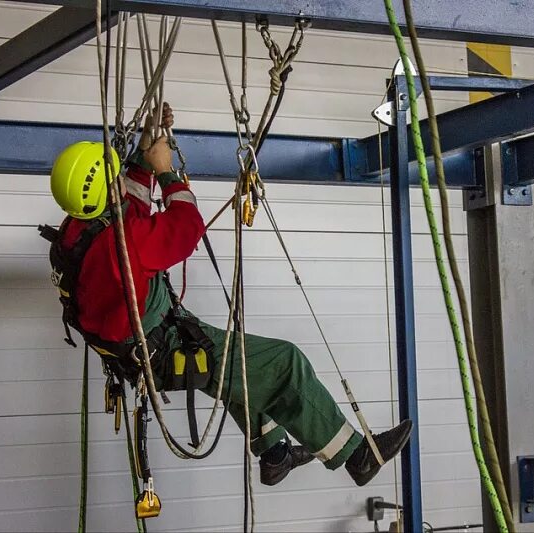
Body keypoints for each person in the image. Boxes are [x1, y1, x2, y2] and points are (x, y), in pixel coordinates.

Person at [43, 104, 412, 487]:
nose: (121, 179)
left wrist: (145, 151)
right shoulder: (123, 245)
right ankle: (356, 456)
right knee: (284, 363)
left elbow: (129, 200)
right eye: (116, 176)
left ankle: (275, 455)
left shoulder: (77, 230)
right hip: (163, 347)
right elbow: (186, 227)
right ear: (105, 192)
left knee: (243, 370)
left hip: (143, 344)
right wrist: (167, 172)